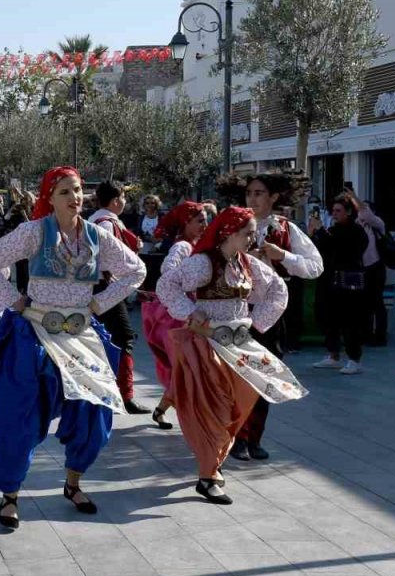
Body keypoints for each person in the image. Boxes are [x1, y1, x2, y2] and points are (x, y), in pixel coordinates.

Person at [0, 167, 145, 528]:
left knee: (95, 413)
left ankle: (73, 483)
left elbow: (136, 270)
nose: (74, 198)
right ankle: (10, 495)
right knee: (20, 414)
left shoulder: (98, 236)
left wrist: (100, 303)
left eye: (78, 190)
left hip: (82, 336)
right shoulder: (34, 232)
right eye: (65, 191)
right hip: (34, 334)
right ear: (49, 197)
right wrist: (11, 299)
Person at [156, 207, 307, 504]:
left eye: (253, 232)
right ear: (228, 233)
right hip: (207, 347)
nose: (253, 238)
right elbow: (167, 284)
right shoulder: (202, 263)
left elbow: (279, 291)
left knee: (239, 405)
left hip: (239, 348)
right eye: (247, 233)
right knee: (216, 409)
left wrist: (256, 323)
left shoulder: (248, 264)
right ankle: (208, 475)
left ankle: (213, 463)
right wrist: (190, 313)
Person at [233, 172, 324, 461]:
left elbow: (315, 267)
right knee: (238, 376)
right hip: (237, 312)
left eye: (259, 193)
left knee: (265, 377)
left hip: (273, 315)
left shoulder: (285, 229)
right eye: (249, 192)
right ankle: (237, 437)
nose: (252, 198)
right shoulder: (233, 224)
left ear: (273, 197)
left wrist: (283, 255)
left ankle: (254, 438)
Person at [139, 201, 207, 430]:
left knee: (186, 368)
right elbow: (167, 271)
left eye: (205, 219)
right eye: (199, 220)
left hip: (188, 315)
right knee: (185, 368)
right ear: (186, 223)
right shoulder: (183, 247)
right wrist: (187, 288)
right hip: (176, 319)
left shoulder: (197, 245)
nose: (204, 224)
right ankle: (194, 420)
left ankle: (161, 411)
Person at [88, 180, 148, 414]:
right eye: (123, 197)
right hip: (104, 289)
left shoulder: (96, 220)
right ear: (115, 200)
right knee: (123, 339)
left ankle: (105, 392)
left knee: (106, 339)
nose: (125, 202)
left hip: (102, 287)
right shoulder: (105, 224)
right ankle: (125, 396)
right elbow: (104, 259)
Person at [311, 196, 370, 375]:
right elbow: (322, 249)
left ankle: (354, 359)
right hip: (329, 280)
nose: (334, 215)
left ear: (349, 212)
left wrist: (321, 232)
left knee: (350, 321)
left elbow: (343, 248)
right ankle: (333, 354)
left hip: (348, 282)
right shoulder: (332, 230)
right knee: (329, 318)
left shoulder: (356, 231)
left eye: (339, 211)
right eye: (333, 211)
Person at [345, 191, 389, 346]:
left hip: (375, 267)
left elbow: (366, 213)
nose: (362, 213)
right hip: (359, 268)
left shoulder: (377, 224)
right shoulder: (355, 225)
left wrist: (354, 197)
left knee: (376, 302)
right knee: (362, 303)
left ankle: (380, 336)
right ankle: (365, 334)